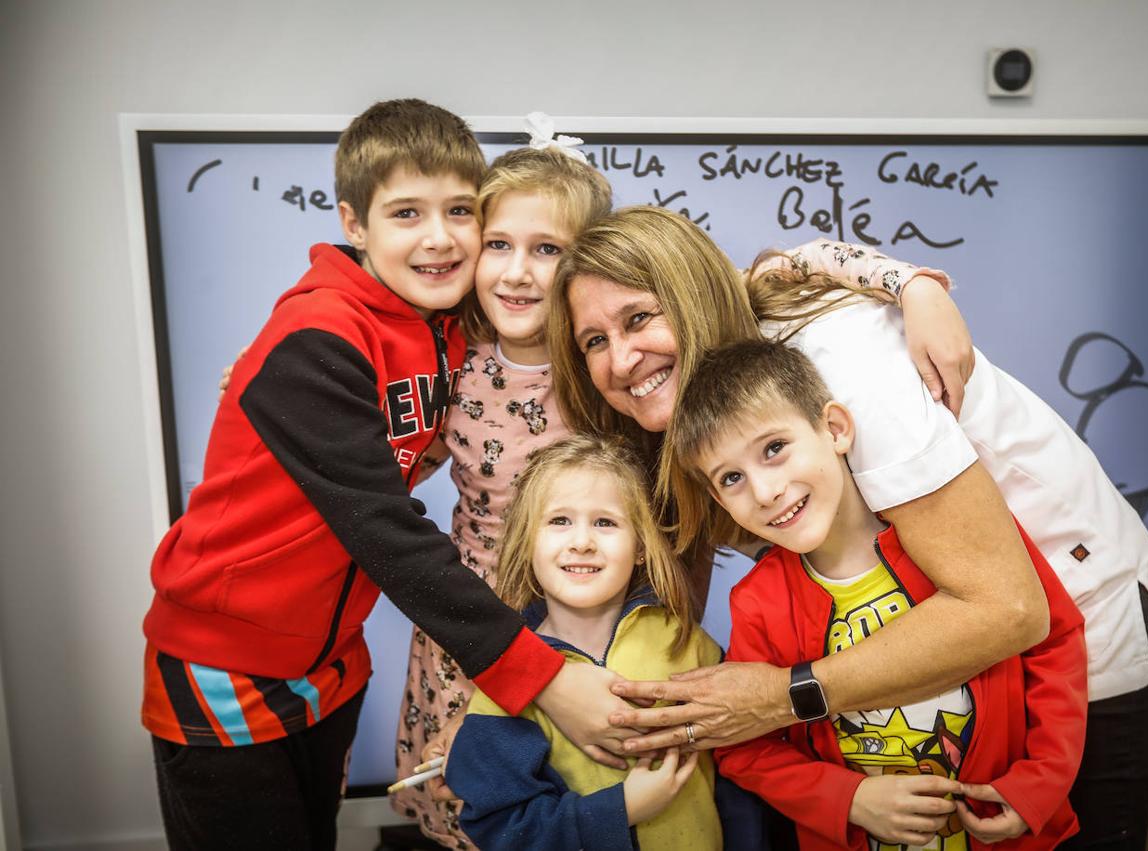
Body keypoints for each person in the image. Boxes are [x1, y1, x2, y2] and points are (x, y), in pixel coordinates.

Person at [546, 206, 1148, 848]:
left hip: (1077, 625)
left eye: (638, 318)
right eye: (594, 341)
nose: (622, 358)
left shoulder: (845, 364)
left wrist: (783, 695)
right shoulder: (710, 424)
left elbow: (1014, 608)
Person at [140, 100, 626, 850]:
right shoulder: (315, 340)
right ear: (354, 224)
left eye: (459, 210)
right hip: (230, 663)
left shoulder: (446, 326)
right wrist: (543, 675)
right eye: (405, 212)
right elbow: (387, 532)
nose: (438, 237)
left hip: (331, 656)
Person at [670, 338, 1088, 850]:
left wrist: (1038, 784)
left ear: (835, 429)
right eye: (732, 478)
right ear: (717, 498)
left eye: (774, 449)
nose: (764, 491)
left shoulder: (954, 539)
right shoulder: (757, 603)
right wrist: (849, 799)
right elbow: (744, 747)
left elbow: (1055, 639)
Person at [390, 141, 613, 848]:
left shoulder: (611, 364)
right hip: (470, 628)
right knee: (469, 803)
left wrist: (905, 284)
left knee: (573, 803)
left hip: (586, 628)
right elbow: (386, 461)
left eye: (546, 249)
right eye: (498, 245)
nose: (518, 273)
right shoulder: (448, 359)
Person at [446, 434, 766, 851]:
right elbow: (506, 830)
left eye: (605, 522)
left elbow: (741, 776)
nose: (582, 541)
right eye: (559, 521)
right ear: (527, 542)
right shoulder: (505, 686)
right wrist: (623, 809)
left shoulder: (685, 645)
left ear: (639, 547)